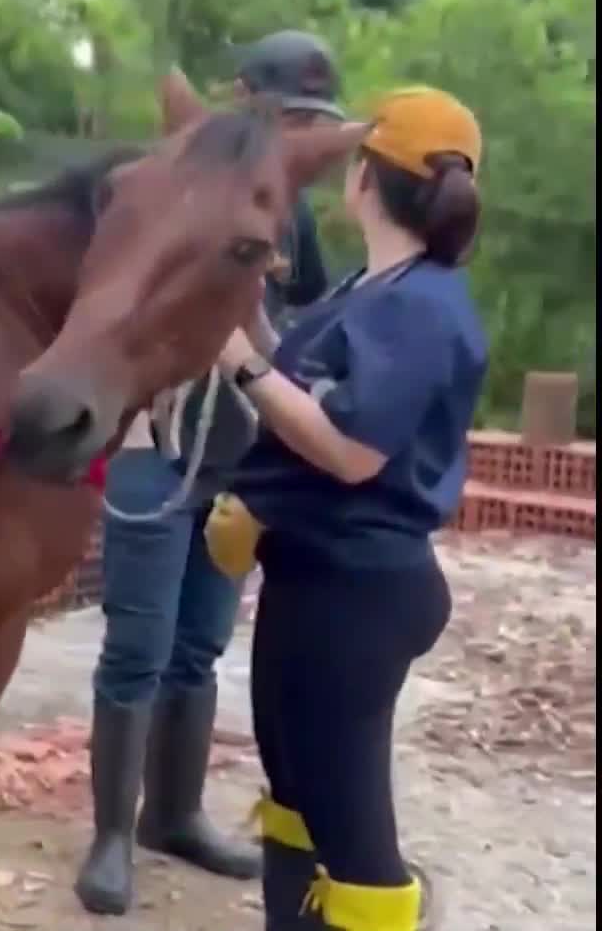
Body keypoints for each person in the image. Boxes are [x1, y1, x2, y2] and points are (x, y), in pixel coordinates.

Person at [73, 28, 345, 916]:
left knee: (197, 645)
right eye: (286, 113)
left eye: (309, 120)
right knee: (137, 645)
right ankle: (112, 833)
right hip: (161, 441)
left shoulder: (289, 209)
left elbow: (302, 326)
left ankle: (175, 814)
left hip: (237, 454)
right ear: (243, 101)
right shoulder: (176, 188)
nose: (296, 132)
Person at [208, 87, 485, 931]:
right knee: (295, 795)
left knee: (353, 834)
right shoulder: (375, 287)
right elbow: (303, 371)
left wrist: (241, 365)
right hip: (311, 576)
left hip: (359, 592)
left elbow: (352, 451)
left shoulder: (422, 308)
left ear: (366, 178)